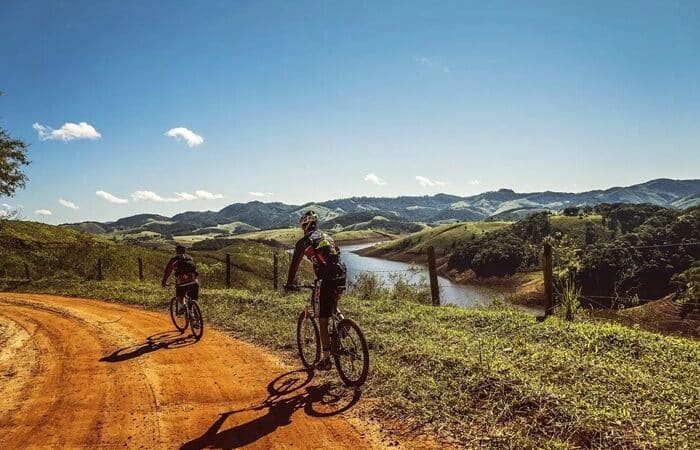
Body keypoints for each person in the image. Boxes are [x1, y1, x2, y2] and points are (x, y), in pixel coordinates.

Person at [285, 211, 347, 370]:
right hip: (341, 276)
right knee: (331, 306)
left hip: (325, 281)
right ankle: (344, 324)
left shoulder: (304, 242)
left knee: (323, 320)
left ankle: (326, 360)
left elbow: (294, 266)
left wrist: (289, 284)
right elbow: (337, 255)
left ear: (304, 226)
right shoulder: (327, 237)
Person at [162, 245, 199, 314]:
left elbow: (167, 272)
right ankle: (195, 318)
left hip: (182, 283)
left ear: (176, 251)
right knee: (193, 299)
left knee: (179, 296)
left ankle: (183, 306)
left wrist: (164, 282)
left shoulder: (174, 260)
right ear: (185, 251)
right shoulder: (190, 258)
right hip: (194, 281)